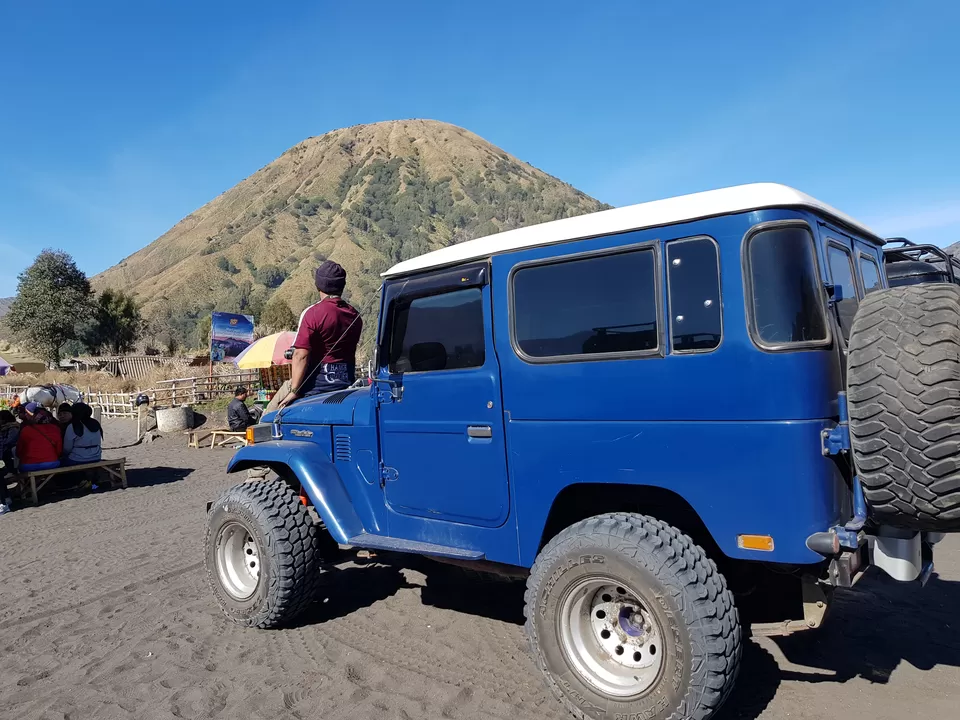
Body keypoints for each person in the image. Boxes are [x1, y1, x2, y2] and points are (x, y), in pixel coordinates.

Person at [279, 261, 363, 408]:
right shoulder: (355, 315)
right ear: (342, 285)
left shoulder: (313, 313)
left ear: (318, 285)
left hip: (315, 388)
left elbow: (301, 355)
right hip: (346, 385)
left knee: (270, 414)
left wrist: (294, 390)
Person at [16, 402, 62, 472]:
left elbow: (19, 450)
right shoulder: (55, 428)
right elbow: (59, 449)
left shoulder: (26, 430)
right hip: (51, 463)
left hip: (28, 465)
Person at [0, 410, 19, 514]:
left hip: (12, 455)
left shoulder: (13, 428)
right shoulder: (4, 429)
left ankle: (4, 501)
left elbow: (9, 441)